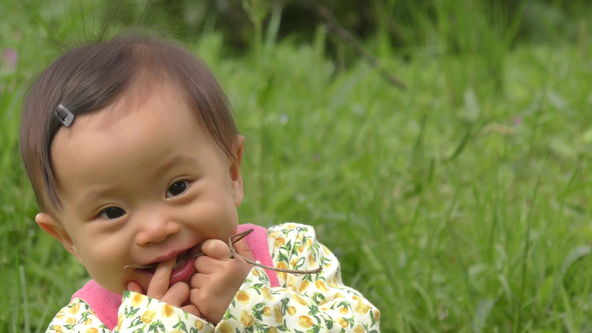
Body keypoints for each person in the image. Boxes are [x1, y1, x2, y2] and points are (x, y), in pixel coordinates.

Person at [19, 34, 380, 332]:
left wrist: (252, 307)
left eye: (177, 188)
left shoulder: (287, 257)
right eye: (112, 211)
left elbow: (359, 325)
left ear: (232, 173)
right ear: (68, 238)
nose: (156, 229)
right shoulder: (85, 323)